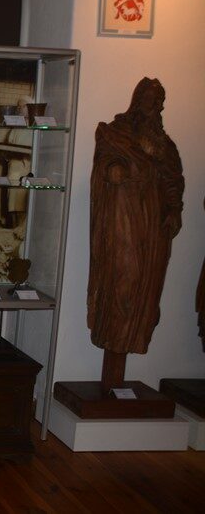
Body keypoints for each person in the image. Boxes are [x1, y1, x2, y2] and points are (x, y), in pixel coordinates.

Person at [88, 77, 183, 358]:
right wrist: (113, 169)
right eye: (150, 100)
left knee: (147, 287)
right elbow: (104, 163)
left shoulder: (164, 144)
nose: (154, 106)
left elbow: (173, 180)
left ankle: (132, 339)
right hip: (124, 219)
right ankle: (113, 336)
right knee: (124, 277)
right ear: (138, 101)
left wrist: (174, 209)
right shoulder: (115, 134)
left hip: (153, 226)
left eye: (159, 101)